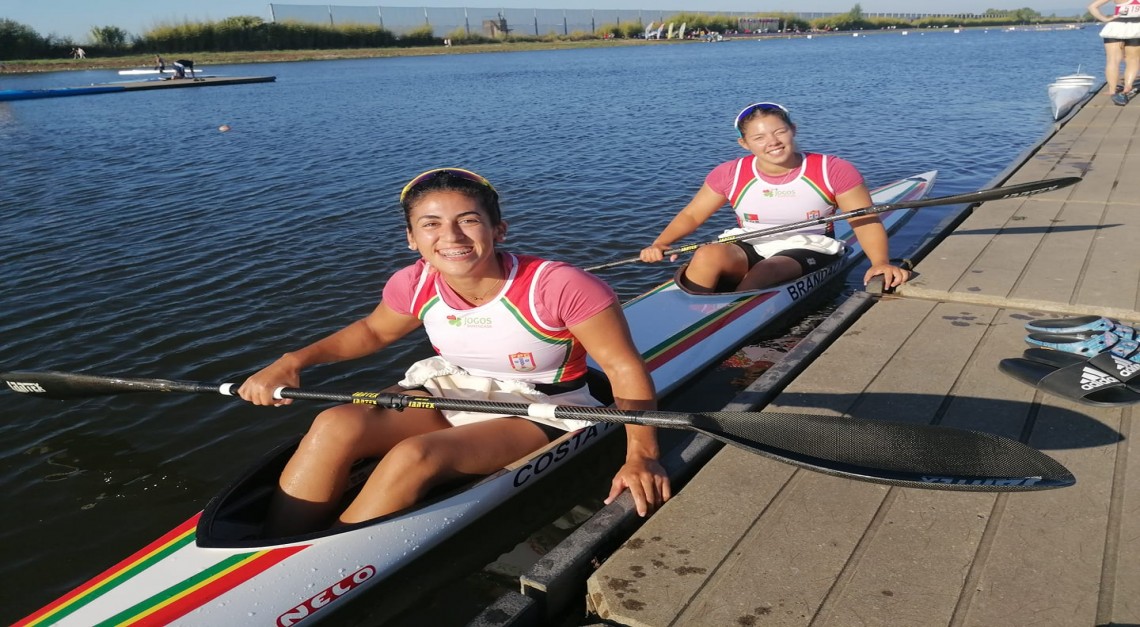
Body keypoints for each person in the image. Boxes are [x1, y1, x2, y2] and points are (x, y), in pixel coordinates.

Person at [239, 168, 670, 536]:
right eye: (430, 224)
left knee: (415, 456)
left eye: (468, 220)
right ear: (411, 238)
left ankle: (331, 559)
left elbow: (622, 368)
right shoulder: (414, 282)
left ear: (498, 229)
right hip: (454, 386)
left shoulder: (560, 285)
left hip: (544, 406)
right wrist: (291, 361)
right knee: (333, 423)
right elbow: (372, 332)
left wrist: (641, 456)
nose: (451, 237)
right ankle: (275, 546)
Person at [639, 102, 909, 293]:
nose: (773, 142)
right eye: (759, 137)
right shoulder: (729, 173)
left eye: (779, 131)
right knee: (706, 254)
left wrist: (880, 262)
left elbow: (864, 220)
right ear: (745, 144)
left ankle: (730, 316)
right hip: (751, 241)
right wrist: (662, 243)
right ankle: (697, 313)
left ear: (793, 129)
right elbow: (692, 215)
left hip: (811, 244)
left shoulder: (833, 170)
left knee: (767, 271)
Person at [1089, 0, 1140, 105]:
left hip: (1116, 25)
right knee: (1133, 59)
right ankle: (1127, 86)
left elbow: (1092, 7)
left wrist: (1105, 19)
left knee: (1112, 60)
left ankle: (1112, 90)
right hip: (1136, 26)